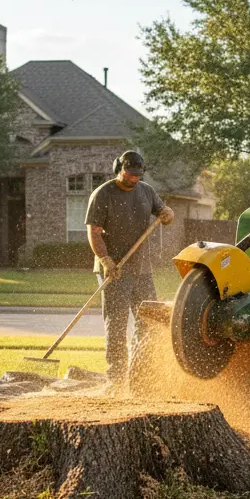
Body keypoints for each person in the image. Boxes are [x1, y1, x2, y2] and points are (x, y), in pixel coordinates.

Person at [85, 150, 174, 383]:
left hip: (143, 269)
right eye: (128, 173)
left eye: (137, 174)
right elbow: (94, 233)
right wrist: (106, 260)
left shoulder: (147, 191)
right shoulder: (103, 194)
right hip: (115, 270)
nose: (133, 178)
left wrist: (167, 214)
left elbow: (163, 213)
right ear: (118, 169)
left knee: (149, 319)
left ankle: (141, 371)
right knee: (117, 323)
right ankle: (115, 376)